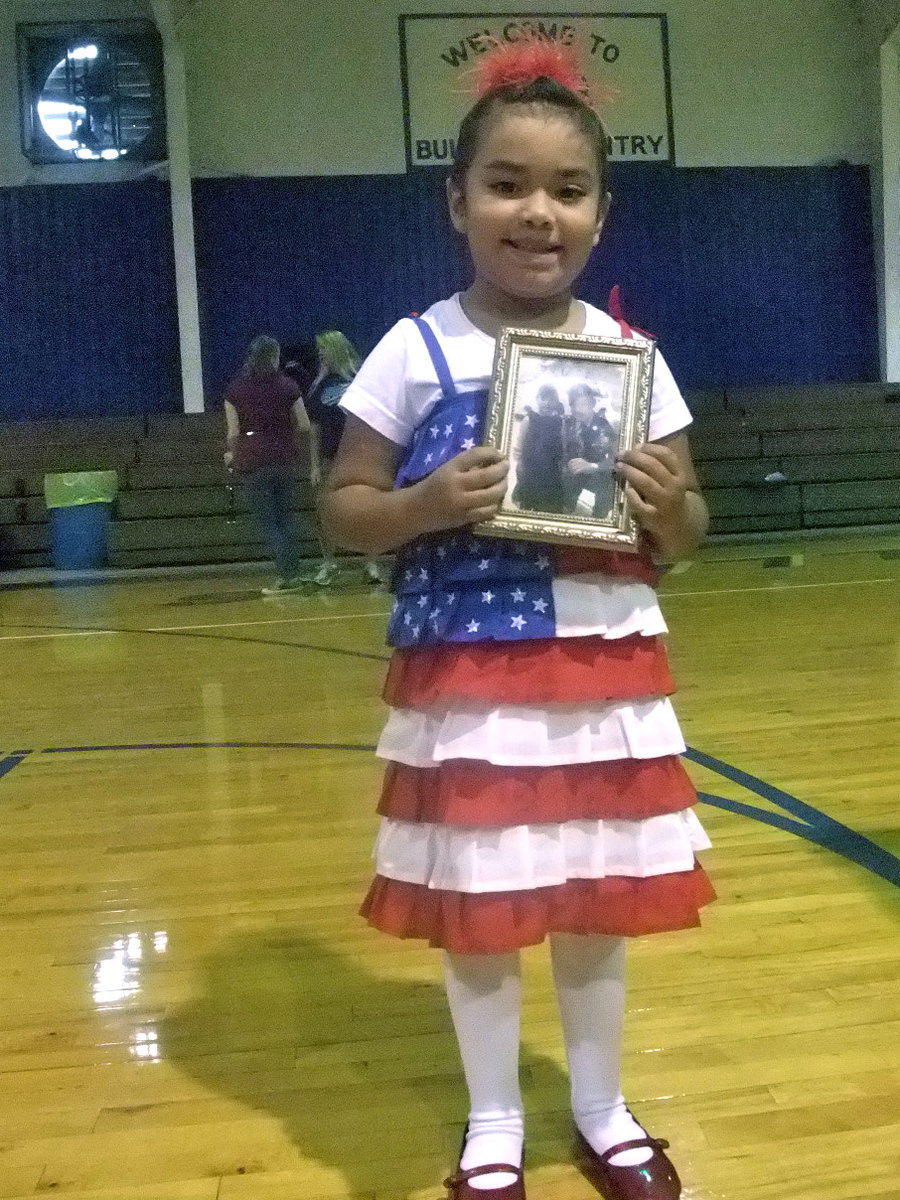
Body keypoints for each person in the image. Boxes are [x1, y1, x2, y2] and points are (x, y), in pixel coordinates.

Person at [322, 38, 711, 1200]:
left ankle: (601, 1109)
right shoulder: (413, 348)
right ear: (458, 201)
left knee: (597, 901)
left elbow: (690, 530)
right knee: (482, 906)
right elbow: (344, 509)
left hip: (604, 675)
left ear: (601, 214)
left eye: (568, 189)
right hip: (473, 684)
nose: (538, 211)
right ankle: (493, 1121)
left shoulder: (633, 357)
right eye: (507, 184)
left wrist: (667, 504)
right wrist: (423, 506)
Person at [223, 335, 309, 595]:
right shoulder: (288, 386)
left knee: (269, 523)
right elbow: (304, 424)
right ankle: (294, 573)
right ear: (275, 357)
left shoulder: (235, 390)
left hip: (253, 460)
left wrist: (232, 454)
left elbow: (234, 432)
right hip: (283, 457)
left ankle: (287, 576)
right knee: (286, 519)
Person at [304, 330, 385, 586]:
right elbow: (314, 428)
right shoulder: (318, 386)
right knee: (324, 511)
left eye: (324, 349)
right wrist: (314, 465)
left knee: (366, 509)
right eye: (319, 350)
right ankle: (329, 563)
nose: (320, 354)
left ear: (336, 349)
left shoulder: (360, 378)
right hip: (330, 457)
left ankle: (370, 564)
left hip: (359, 456)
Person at [511, 384, 567, 512]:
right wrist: (519, 461)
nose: (547, 403)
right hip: (530, 465)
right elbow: (520, 443)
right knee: (529, 495)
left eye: (551, 400)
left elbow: (563, 444)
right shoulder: (528, 419)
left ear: (557, 402)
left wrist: (563, 463)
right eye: (543, 398)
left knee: (548, 499)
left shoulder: (560, 422)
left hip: (551, 467)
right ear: (537, 399)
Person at [564, 382, 616, 518]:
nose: (577, 409)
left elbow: (617, 461)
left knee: (610, 481)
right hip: (573, 473)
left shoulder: (607, 426)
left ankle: (599, 517)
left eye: (582, 404)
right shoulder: (568, 423)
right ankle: (565, 509)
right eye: (573, 405)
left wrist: (593, 466)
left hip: (598, 473)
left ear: (592, 403)